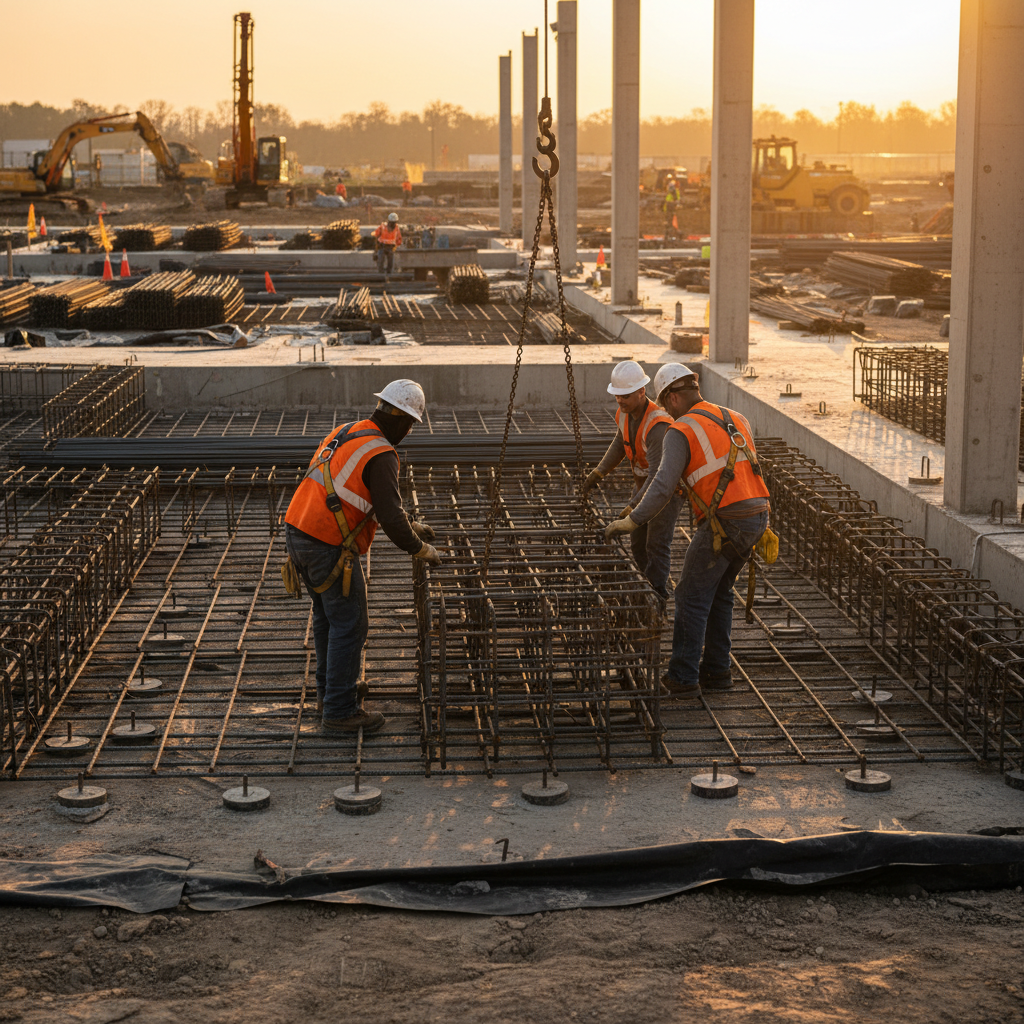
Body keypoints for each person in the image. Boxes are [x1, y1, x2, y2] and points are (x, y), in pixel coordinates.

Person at [284, 380, 441, 734]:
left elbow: (355, 493)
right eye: (411, 425)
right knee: (351, 623)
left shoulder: (348, 431)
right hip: (326, 543)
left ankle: (332, 694)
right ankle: (340, 710)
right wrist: (420, 548)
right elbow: (388, 515)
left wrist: (412, 524)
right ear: (401, 419)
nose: (409, 433)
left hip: (297, 532)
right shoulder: (381, 452)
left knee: (329, 620)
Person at [605, 363, 770, 698]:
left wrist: (633, 519)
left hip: (725, 522)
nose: (666, 411)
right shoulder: (736, 417)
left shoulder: (681, 430)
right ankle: (717, 673)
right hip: (757, 517)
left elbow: (663, 485)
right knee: (719, 593)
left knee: (690, 595)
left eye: (666, 404)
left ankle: (682, 677)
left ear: (674, 398)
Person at [582, 360, 682, 599]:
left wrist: (633, 506)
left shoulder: (658, 425)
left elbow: (659, 475)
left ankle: (658, 594)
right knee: (638, 543)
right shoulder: (624, 413)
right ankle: (645, 586)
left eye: (625, 395)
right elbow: (620, 442)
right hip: (644, 488)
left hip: (667, 493)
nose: (620, 400)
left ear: (641, 391)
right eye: (617, 395)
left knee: (656, 544)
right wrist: (599, 471)